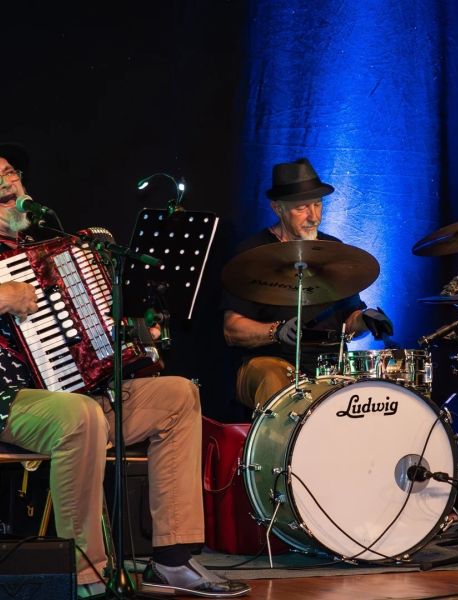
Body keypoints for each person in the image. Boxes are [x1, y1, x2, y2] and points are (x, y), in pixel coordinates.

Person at [0, 143, 250, 598]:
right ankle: (86, 573)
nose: (9, 182)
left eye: (12, 172)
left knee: (177, 394)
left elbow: (77, 335)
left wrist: (116, 334)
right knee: (80, 416)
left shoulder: (43, 247)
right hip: (9, 403)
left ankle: (172, 560)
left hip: (69, 396)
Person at [223, 158, 393, 410]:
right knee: (276, 381)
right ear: (277, 208)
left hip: (329, 366)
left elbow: (348, 320)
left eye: (318, 204)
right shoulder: (252, 253)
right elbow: (232, 330)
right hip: (269, 362)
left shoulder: (334, 251)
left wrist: (366, 319)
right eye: (302, 207)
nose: (313, 217)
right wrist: (277, 331)